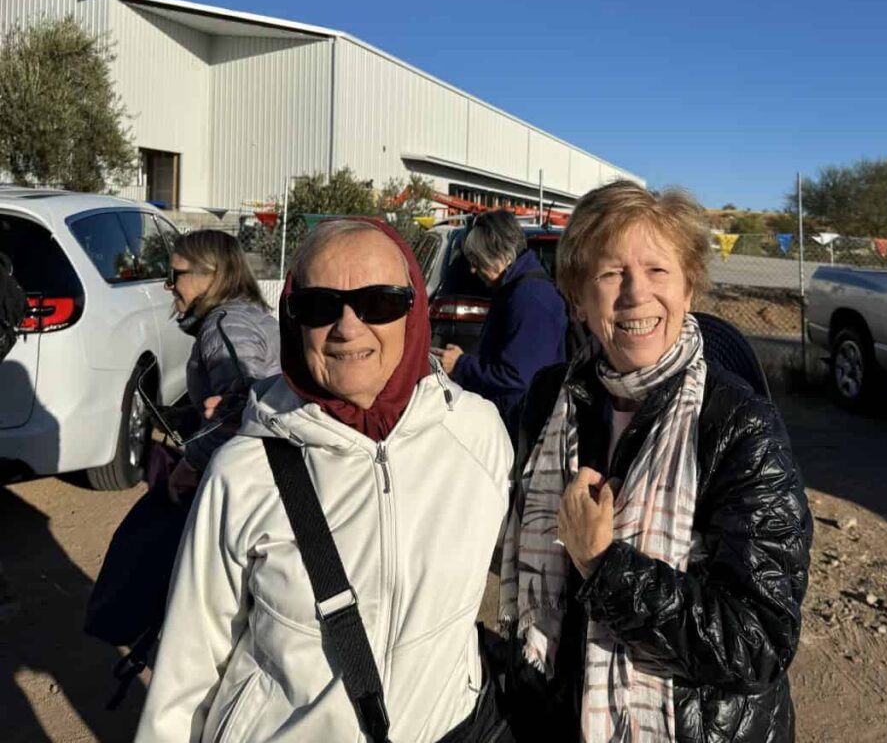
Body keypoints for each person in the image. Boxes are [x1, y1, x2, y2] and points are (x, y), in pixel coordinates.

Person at [136, 219, 513, 742]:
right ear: (293, 319)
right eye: (319, 305)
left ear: (415, 309)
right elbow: (187, 671)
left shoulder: (476, 434)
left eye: (379, 301)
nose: (348, 326)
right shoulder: (243, 471)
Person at [499, 181, 812, 742]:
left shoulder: (740, 425)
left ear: (689, 289)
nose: (635, 295)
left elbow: (758, 641)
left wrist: (604, 564)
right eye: (611, 273)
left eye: (658, 271)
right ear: (578, 298)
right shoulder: (550, 401)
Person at [163, 229, 281, 502]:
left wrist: (190, 464)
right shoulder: (246, 315)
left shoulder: (225, 325)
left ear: (211, 275)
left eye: (174, 276)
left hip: (249, 482)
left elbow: (244, 410)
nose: (167, 286)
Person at [436, 210, 567, 432]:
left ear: (502, 254)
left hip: (525, 426)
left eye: (478, 260)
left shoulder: (530, 298)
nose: (473, 269)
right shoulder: (515, 289)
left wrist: (461, 365)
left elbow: (517, 376)